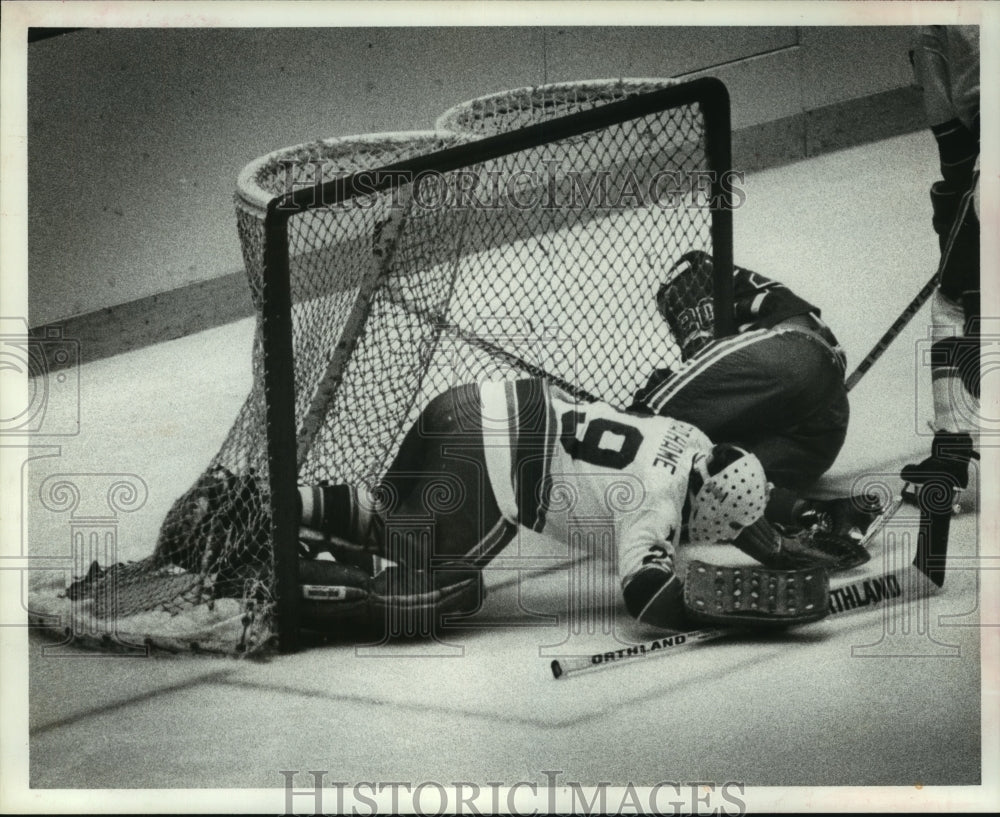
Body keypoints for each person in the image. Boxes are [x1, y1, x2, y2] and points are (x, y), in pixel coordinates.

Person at [291, 378, 821, 634]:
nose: (726, 536)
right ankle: (291, 587)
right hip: (489, 459)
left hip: (474, 401)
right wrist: (727, 613)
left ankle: (284, 507)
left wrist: (775, 551)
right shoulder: (656, 507)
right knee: (447, 588)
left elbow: (728, 493)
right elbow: (645, 597)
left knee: (387, 518)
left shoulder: (693, 437)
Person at [630, 250, 876, 567]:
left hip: (789, 358)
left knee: (646, 431)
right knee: (714, 487)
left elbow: (700, 369)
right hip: (821, 428)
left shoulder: (683, 283)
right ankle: (821, 514)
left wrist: (633, 412)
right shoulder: (744, 288)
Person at [900, 25, 981, 506]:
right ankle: (953, 450)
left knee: (956, 301)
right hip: (967, 162)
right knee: (960, 299)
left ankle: (953, 455)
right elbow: (949, 124)